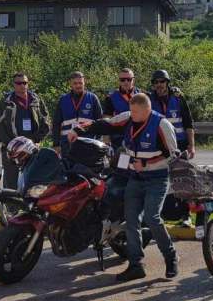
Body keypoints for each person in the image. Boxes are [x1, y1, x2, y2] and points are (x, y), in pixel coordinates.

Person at [68, 92, 179, 282]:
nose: (131, 114)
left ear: (147, 109)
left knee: (152, 218)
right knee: (131, 220)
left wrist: (147, 163)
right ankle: (136, 265)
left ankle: (171, 258)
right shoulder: (128, 118)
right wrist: (78, 130)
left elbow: (173, 154)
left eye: (135, 112)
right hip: (135, 178)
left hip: (156, 179)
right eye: (130, 110)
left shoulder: (162, 125)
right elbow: (106, 124)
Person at [0, 72, 51, 190]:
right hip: (12, 148)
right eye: (19, 83)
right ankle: (11, 202)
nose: (22, 85)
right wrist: (10, 143)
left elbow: (46, 122)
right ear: (14, 84)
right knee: (11, 182)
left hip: (32, 146)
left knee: (34, 180)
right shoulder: (6, 101)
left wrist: (36, 140)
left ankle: (31, 202)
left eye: (24, 83)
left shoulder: (36, 100)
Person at [52, 71, 103, 154]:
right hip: (67, 144)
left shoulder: (92, 98)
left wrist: (98, 141)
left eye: (80, 83)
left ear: (84, 82)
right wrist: (56, 144)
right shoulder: (63, 100)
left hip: (88, 143)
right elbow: (56, 123)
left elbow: (100, 122)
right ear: (70, 84)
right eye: (75, 83)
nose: (78, 85)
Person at [149, 69, 195, 158]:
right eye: (156, 82)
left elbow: (188, 123)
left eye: (162, 81)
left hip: (180, 144)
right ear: (153, 84)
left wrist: (192, 146)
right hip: (159, 145)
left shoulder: (178, 98)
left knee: (180, 167)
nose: (159, 84)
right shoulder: (149, 100)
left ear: (167, 82)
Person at [102, 68, 141, 150]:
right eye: (122, 80)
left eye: (129, 79)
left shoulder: (142, 96)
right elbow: (107, 120)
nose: (126, 82)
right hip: (118, 140)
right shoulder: (111, 98)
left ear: (133, 80)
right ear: (119, 81)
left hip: (138, 138)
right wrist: (106, 141)